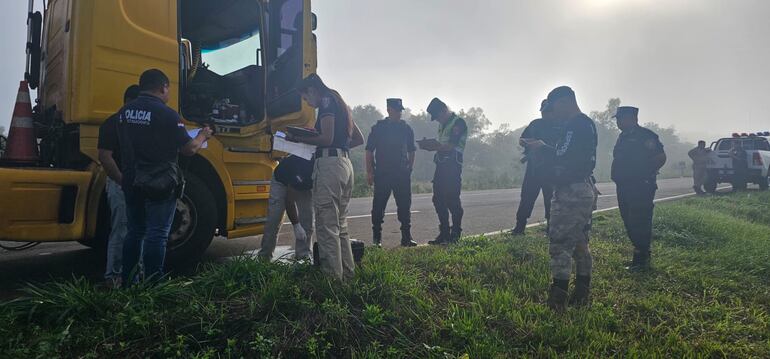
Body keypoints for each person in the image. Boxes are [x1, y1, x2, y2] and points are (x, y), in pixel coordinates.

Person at [119, 69, 212, 286]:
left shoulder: (124, 112)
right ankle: (153, 283)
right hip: (159, 182)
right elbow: (188, 149)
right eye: (168, 89)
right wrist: (202, 135)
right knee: (157, 234)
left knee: (134, 232)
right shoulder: (168, 115)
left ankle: (129, 281)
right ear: (163, 87)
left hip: (131, 179)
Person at [530, 87, 598, 312]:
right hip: (582, 187)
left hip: (571, 191)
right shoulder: (584, 124)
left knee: (559, 244)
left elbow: (564, 155)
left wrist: (542, 148)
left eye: (553, 107)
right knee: (580, 243)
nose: (552, 113)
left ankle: (557, 300)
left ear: (564, 102)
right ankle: (581, 294)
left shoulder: (576, 125)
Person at [291, 73, 364, 281]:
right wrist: (338, 148)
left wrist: (298, 137)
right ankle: (347, 278)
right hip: (344, 164)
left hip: (330, 167)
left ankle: (332, 283)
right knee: (340, 227)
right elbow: (358, 139)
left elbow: (327, 137)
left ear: (312, 90)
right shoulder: (340, 102)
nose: (308, 103)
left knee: (326, 226)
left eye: (306, 98)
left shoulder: (325, 101)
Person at [611, 106, 667, 271]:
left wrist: (643, 173)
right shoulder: (622, 137)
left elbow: (660, 157)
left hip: (640, 186)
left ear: (632, 118)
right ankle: (639, 255)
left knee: (639, 220)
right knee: (628, 219)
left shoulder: (646, 136)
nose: (618, 122)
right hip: (624, 185)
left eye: (620, 119)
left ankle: (641, 259)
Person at [97, 84, 140, 288]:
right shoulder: (114, 123)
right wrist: (123, 181)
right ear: (132, 101)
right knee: (122, 229)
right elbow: (105, 157)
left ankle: (132, 276)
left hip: (130, 183)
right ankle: (114, 276)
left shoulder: (122, 123)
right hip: (120, 184)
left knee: (134, 230)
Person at [365, 98, 418, 247]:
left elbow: (412, 150)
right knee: (378, 207)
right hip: (382, 173)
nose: (400, 113)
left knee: (404, 206)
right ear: (389, 110)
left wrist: (410, 168)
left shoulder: (405, 128)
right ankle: (377, 240)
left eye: (401, 110)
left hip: (401, 174)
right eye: (397, 110)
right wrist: (369, 172)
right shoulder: (379, 128)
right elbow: (369, 150)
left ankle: (406, 238)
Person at [420, 98, 468, 246]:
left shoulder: (458, 123)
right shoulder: (443, 125)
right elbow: (441, 144)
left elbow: (451, 145)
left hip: (453, 165)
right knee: (438, 199)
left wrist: (434, 147)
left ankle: (456, 233)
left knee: (452, 198)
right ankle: (444, 232)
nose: (437, 120)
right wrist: (429, 144)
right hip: (441, 165)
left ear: (443, 110)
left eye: (438, 116)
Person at [512, 99, 562, 235]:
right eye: (543, 112)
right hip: (533, 168)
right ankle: (519, 227)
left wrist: (543, 145)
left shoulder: (562, 126)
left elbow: (562, 151)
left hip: (551, 170)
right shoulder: (535, 124)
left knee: (550, 200)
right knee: (526, 198)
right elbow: (522, 139)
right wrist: (526, 142)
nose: (545, 115)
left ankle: (550, 229)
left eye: (548, 112)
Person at [258, 155, 314, 261]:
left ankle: (303, 257)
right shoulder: (303, 168)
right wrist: (296, 225)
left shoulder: (323, 170)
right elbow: (289, 201)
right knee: (274, 219)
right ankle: (264, 257)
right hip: (281, 180)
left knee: (308, 218)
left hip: (303, 183)